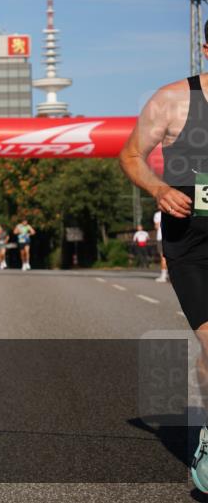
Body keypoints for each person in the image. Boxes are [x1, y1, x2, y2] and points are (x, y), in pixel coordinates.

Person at [119, 32, 207, 492]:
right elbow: (130, 155)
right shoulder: (172, 100)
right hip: (191, 244)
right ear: (207, 50)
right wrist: (158, 189)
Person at [153, 209, 169, 283]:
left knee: (163, 256)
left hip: (161, 236)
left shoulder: (157, 214)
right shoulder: (171, 212)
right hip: (171, 237)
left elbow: (156, 226)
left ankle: (163, 275)